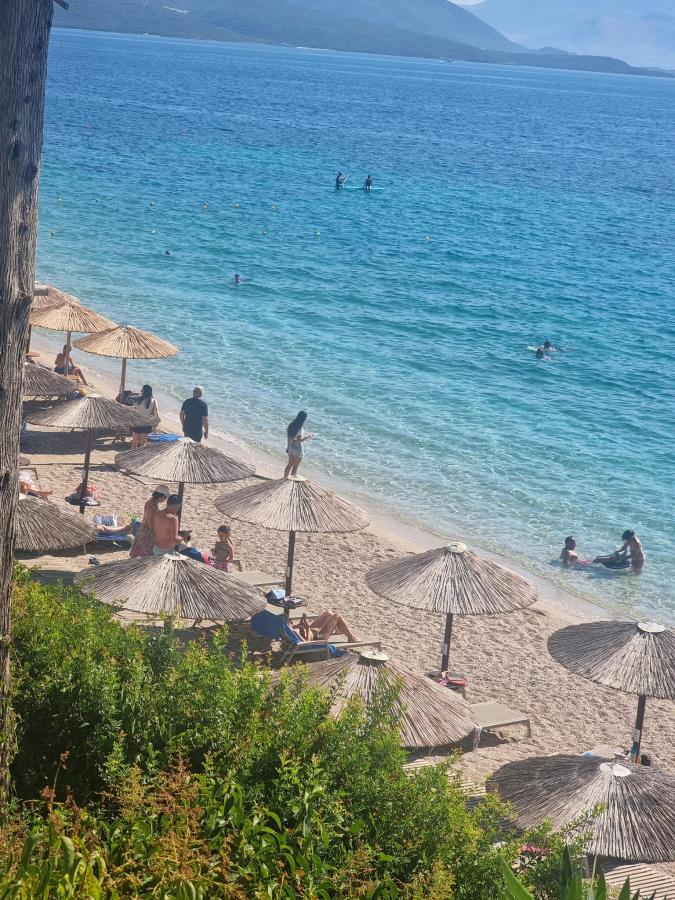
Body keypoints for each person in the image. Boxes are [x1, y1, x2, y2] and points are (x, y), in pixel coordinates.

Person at [130, 484, 169, 558]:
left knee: (140, 555)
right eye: (165, 497)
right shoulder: (152, 505)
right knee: (145, 555)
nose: (165, 499)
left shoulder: (152, 502)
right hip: (147, 533)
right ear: (161, 496)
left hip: (145, 530)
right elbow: (151, 521)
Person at [283, 411, 313, 478]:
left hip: (291, 445)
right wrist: (308, 436)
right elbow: (299, 441)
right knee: (295, 467)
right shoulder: (300, 428)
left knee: (289, 465)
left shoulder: (291, 425)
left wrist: (288, 447)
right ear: (304, 419)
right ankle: (291, 482)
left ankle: (284, 479)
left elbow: (289, 437)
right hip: (298, 448)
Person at [130, 384, 159, 449]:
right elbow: (154, 414)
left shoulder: (138, 400)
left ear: (144, 391)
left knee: (134, 443)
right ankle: (140, 455)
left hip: (137, 422)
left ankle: (132, 455)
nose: (141, 391)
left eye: (142, 389)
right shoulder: (154, 401)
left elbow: (134, 412)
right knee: (143, 444)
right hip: (147, 424)